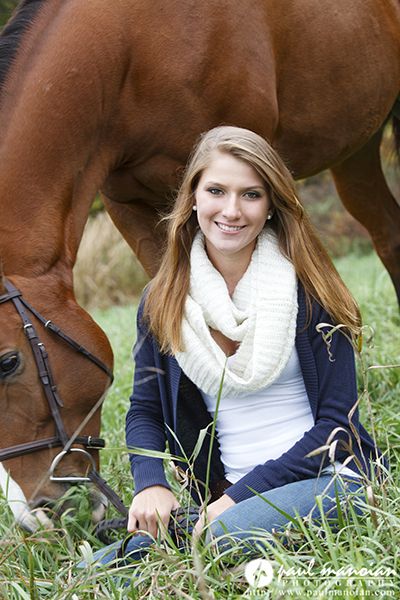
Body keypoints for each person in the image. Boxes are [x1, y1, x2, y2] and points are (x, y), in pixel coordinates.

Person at [87, 126, 381, 567]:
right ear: (193, 198)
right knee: (99, 567)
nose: (231, 210)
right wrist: (151, 482)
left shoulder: (310, 288)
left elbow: (338, 426)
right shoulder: (162, 298)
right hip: (225, 501)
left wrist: (237, 501)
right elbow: (144, 409)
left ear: (271, 205)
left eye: (250, 194)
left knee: (219, 537)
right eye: (216, 190)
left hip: (331, 479)